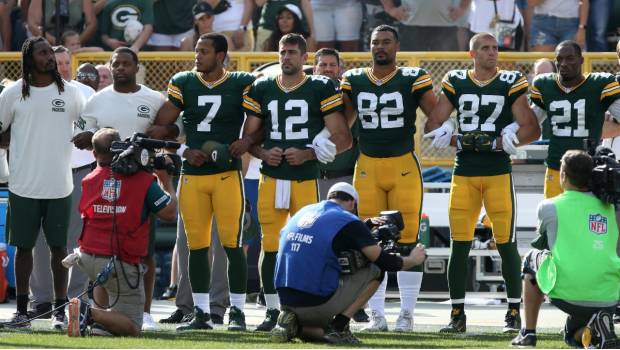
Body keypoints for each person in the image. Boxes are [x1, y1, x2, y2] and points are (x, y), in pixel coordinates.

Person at [424, 32, 540, 333]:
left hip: (497, 172)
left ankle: (514, 312)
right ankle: (457, 314)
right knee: (459, 246)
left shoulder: (510, 81)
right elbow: (432, 124)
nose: (492, 53)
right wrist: (452, 132)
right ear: (471, 54)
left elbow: (532, 128)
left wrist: (504, 141)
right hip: (463, 172)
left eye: (495, 48)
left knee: (506, 244)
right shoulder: (456, 81)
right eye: (485, 48)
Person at [241, 33, 352, 331]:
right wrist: (263, 152)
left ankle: (309, 308)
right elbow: (249, 139)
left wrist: (308, 153)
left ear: (305, 58)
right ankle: (272, 310)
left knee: (311, 243)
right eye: (282, 52)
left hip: (304, 178)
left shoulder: (320, 87)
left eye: (292, 52)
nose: (286, 57)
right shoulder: (263, 86)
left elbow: (343, 139)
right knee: (270, 245)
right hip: (271, 176)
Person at [148, 32, 255, 332]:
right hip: (193, 176)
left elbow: (260, 122)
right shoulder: (184, 82)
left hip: (226, 174)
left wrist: (246, 140)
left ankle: (236, 311)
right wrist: (183, 149)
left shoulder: (240, 83)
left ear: (220, 56)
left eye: (204, 51)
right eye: (196, 50)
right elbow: (162, 127)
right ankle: (201, 313)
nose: (197, 56)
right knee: (196, 247)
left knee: (232, 245)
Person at [339, 24, 436, 332]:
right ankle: (377, 314)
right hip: (366, 166)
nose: (379, 47)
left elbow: (435, 115)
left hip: (403, 166)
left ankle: (406, 313)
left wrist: (443, 130)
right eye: (374, 42)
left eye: (385, 42)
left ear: (396, 46)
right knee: (369, 241)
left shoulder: (412, 77)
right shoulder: (353, 79)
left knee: (408, 241)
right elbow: (343, 124)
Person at [72, 47, 166, 332]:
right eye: (116, 64)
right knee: (102, 249)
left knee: (143, 249)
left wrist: (159, 136)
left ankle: (146, 312)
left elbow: (170, 129)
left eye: (126, 63)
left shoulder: (153, 98)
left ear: (137, 67)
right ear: (110, 67)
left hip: (139, 181)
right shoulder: (96, 100)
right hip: (106, 178)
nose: (121, 68)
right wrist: (91, 137)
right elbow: (79, 138)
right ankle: (100, 312)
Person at [270, 182, 427, 344]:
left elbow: (318, 238)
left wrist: (364, 226)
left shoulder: (304, 211)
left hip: (285, 299)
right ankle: (339, 325)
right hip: (316, 304)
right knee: (376, 269)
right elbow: (384, 261)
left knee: (323, 330)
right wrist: (413, 259)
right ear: (352, 202)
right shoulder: (347, 220)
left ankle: (294, 326)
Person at [0, 37, 85, 329]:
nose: (49, 57)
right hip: (22, 184)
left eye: (50, 51)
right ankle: (23, 312)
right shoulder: (12, 94)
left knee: (59, 250)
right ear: (28, 59)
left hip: (60, 184)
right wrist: (14, 140)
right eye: (43, 52)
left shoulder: (72, 93)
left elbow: (87, 126)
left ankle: (60, 311)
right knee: (23, 249)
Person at [66, 128, 177, 337]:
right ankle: (87, 313)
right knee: (133, 327)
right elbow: (169, 213)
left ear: (94, 153)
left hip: (87, 258)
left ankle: (100, 325)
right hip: (119, 261)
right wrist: (166, 181)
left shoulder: (88, 179)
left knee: (103, 277)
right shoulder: (142, 181)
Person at [511, 150, 620, 348]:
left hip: (567, 293)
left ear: (563, 175)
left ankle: (528, 333)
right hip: (610, 294)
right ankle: (596, 329)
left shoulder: (549, 206)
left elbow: (543, 242)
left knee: (531, 258)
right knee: (571, 338)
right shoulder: (612, 208)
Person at [27, 44, 96, 324]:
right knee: (41, 239)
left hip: (80, 170)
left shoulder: (87, 93)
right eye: (58, 61)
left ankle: (75, 297)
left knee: (79, 238)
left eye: (67, 62)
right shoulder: (33, 92)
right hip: (44, 171)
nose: (64, 67)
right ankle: (42, 299)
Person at [530, 40, 620, 199]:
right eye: (560, 59)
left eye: (570, 58)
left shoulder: (601, 84)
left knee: (587, 220)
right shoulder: (546, 85)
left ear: (581, 60)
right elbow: (530, 123)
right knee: (554, 218)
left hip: (589, 168)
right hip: (557, 166)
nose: (563, 64)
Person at [26, 0, 97, 45]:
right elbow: (33, 25)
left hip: (75, 41)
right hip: (48, 42)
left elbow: (92, 24)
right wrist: (54, 41)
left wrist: (76, 42)